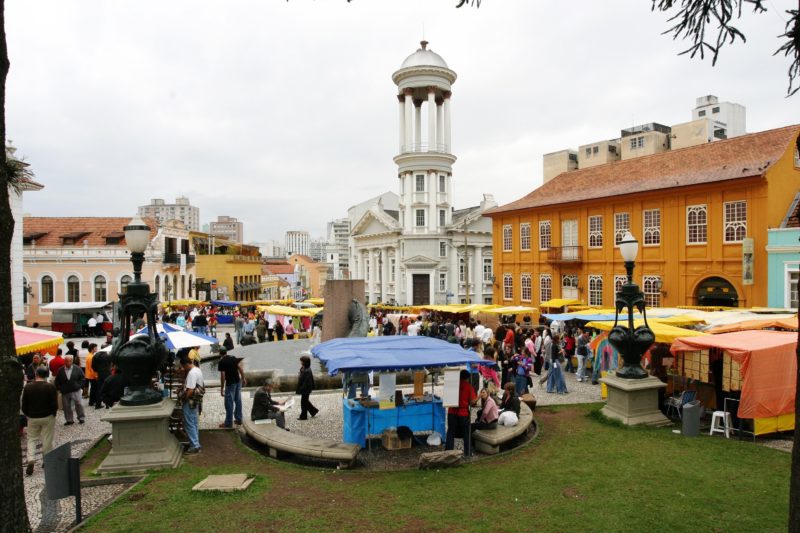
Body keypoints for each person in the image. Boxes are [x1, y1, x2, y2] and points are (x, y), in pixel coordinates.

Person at [21, 367, 58, 476]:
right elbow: (54, 404)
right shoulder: (50, 387)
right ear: (46, 375)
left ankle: (31, 458)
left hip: (33, 417)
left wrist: (28, 414)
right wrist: (53, 413)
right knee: (47, 438)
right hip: (47, 416)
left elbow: (24, 405)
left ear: (36, 374)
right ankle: (46, 460)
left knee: (31, 439)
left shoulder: (28, 387)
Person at [445, 369, 478, 457]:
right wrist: (478, 398)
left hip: (452, 411)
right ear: (467, 378)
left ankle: (447, 453)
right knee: (466, 433)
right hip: (463, 413)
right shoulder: (468, 386)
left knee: (450, 432)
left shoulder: (452, 385)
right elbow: (473, 402)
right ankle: (467, 453)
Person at [180, 357, 204, 454]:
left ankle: (194, 445)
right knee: (193, 422)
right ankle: (195, 443)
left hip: (190, 401)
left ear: (186, 364)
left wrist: (183, 398)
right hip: (196, 400)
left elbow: (190, 389)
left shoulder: (191, 373)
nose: (183, 368)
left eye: (183, 366)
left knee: (189, 423)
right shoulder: (197, 369)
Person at [218, 347, 246, 428]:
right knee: (238, 400)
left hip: (230, 384)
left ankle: (228, 422)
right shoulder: (233, 358)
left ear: (220, 353)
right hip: (238, 382)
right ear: (226, 352)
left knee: (229, 403)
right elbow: (240, 368)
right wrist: (243, 378)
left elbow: (223, 375)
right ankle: (239, 419)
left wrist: (222, 388)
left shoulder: (221, 362)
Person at [54, 355, 85, 425]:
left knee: (79, 404)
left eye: (69, 361)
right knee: (66, 406)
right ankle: (69, 420)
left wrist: (79, 386)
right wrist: (60, 388)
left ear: (72, 361)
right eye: (66, 361)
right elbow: (57, 381)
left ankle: (81, 418)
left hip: (76, 390)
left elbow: (82, 378)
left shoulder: (77, 368)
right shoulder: (60, 370)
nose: (68, 362)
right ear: (64, 361)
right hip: (65, 391)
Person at [296, 355, 318, 420]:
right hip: (305, 388)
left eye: (301, 361)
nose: (300, 362)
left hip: (306, 389)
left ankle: (303, 416)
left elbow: (306, 382)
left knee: (303, 403)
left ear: (304, 362)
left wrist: (301, 389)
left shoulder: (307, 371)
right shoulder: (304, 368)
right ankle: (313, 411)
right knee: (305, 401)